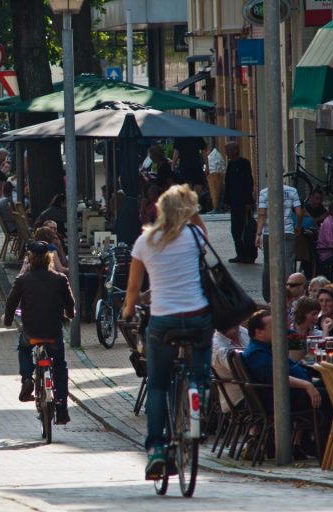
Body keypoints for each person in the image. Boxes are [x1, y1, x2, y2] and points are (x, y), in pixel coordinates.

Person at [121, 184, 212, 481]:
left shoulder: (145, 241)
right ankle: (200, 393)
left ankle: (157, 450)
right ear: (186, 212)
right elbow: (202, 231)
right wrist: (191, 211)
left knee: (158, 385)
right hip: (197, 317)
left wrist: (127, 312)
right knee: (200, 365)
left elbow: (133, 289)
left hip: (163, 321)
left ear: (158, 210)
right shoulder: (195, 235)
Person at [2, 241, 75, 425]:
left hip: (32, 332)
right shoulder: (60, 279)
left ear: (30, 259)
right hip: (53, 333)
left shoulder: (23, 280)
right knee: (59, 367)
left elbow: (11, 304)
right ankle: (62, 409)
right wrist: (70, 314)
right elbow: (70, 304)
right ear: (49, 258)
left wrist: (8, 320)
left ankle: (27, 378)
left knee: (24, 347)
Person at [241, 310, 325, 458]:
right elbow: (276, 379)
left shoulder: (269, 348)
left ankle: (311, 443)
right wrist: (307, 385)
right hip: (282, 399)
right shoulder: (257, 353)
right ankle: (326, 446)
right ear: (259, 332)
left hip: (291, 393)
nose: (279, 331)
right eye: (273, 328)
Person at [256, 181, 303, 303]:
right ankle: (289, 293)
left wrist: (258, 233)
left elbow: (261, 213)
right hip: (287, 231)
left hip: (269, 233)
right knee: (288, 262)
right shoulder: (292, 191)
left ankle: (268, 296)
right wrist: (298, 226)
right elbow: (299, 212)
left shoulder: (264, 193)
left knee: (268, 263)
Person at [223, 142, 254, 264]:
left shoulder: (244, 163)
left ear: (236, 150)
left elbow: (248, 182)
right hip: (234, 202)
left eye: (228, 150)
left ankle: (249, 254)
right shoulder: (230, 164)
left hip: (243, 202)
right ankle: (240, 253)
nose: (226, 153)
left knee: (246, 229)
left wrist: (248, 201)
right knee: (235, 229)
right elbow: (228, 183)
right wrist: (226, 200)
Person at [212, 322, 250, 413]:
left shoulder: (242, 331)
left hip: (259, 389)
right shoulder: (217, 346)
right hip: (240, 397)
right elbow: (243, 370)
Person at [205, 139, 226, 213]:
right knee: (216, 192)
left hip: (214, 173)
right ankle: (216, 207)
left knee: (215, 192)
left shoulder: (213, 156)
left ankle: (216, 207)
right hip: (216, 173)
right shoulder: (215, 155)